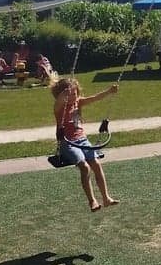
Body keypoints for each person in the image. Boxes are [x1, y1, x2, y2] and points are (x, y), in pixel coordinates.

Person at [51, 77, 119, 212]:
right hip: (68, 143)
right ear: (62, 95)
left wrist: (109, 91)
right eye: (69, 94)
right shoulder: (59, 107)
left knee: (97, 165)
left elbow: (95, 98)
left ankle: (106, 198)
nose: (73, 96)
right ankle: (92, 201)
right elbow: (58, 101)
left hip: (83, 140)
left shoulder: (78, 102)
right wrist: (63, 95)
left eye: (75, 93)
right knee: (85, 167)